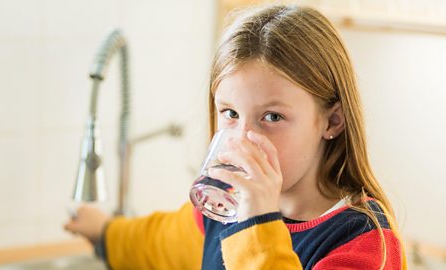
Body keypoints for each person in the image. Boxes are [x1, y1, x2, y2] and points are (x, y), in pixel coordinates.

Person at [64, 4, 406, 269]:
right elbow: (157, 244)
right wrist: (103, 230)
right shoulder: (221, 211)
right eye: (230, 113)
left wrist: (258, 221)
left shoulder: (365, 244)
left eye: (272, 117)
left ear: (332, 121)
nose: (243, 139)